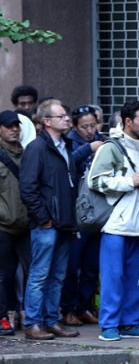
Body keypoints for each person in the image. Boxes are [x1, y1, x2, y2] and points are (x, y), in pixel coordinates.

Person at [89, 99, 139, 341]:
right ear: (128, 122)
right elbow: (95, 180)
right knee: (113, 277)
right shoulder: (111, 147)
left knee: (138, 280)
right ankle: (109, 325)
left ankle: (130, 323)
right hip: (115, 225)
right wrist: (129, 182)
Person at [19, 99, 79, 340]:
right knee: (40, 275)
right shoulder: (37, 148)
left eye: (66, 115)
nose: (67, 119)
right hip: (47, 225)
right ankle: (33, 323)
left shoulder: (66, 146)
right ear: (46, 121)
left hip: (64, 223)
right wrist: (43, 218)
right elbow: (28, 188)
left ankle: (51, 321)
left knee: (57, 276)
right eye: (61, 116)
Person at [60, 105, 104, 327]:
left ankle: (85, 306)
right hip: (77, 212)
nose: (89, 130)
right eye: (84, 127)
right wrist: (88, 148)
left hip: (99, 211)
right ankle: (68, 309)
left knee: (91, 265)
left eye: (92, 125)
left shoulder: (102, 141)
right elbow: (66, 165)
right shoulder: (69, 144)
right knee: (72, 266)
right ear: (75, 127)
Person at [0, 111, 30, 336]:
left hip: (27, 225)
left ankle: (29, 315)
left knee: (33, 271)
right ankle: (4, 316)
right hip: (3, 225)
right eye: (9, 126)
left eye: (16, 126)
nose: (14, 130)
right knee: (5, 274)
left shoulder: (28, 154)